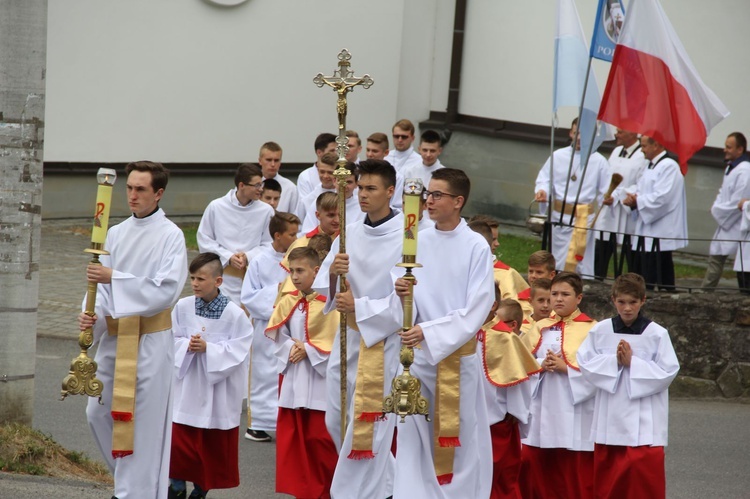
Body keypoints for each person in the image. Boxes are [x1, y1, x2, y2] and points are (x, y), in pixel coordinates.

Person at [78, 161, 188, 499]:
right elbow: (101, 291)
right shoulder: (116, 233)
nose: (132, 195)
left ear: (158, 193)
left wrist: (114, 278)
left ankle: (131, 492)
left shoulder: (171, 235)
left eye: (140, 189)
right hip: (116, 337)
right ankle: (134, 484)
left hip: (151, 341)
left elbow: (165, 289)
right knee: (97, 411)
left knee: (144, 423)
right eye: (129, 188)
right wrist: (90, 316)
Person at [393, 168, 495, 498]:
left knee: (458, 438)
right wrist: (398, 290)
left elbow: (478, 306)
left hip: (455, 359)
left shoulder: (475, 246)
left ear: (458, 201)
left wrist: (429, 330)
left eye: (437, 195)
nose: (428, 201)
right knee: (413, 438)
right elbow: (400, 285)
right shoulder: (416, 238)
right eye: (427, 194)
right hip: (417, 358)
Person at [313, 159, 405, 499]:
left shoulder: (406, 238)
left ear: (390, 191)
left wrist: (361, 307)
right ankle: (389, 488)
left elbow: (407, 302)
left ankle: (353, 494)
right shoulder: (351, 227)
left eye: (370, 188)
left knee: (368, 428)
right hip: (347, 335)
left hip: (379, 342)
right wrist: (334, 272)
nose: (362, 195)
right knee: (336, 419)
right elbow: (324, 284)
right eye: (360, 187)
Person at [577, 273, 680, 499]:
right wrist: (614, 361)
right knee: (608, 477)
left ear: (643, 300)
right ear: (613, 300)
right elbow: (585, 362)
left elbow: (668, 371)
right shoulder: (601, 330)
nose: (627, 308)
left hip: (643, 421)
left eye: (633, 302)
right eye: (622, 302)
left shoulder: (656, 334)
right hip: (609, 414)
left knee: (641, 476)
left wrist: (633, 363)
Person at [169, 253, 252, 499]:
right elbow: (170, 338)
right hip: (186, 387)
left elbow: (240, 348)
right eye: (192, 277)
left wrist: (209, 349)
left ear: (218, 281)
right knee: (179, 443)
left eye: (201, 279)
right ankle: (175, 486)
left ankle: (201, 490)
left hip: (216, 391)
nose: (195, 283)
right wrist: (186, 345)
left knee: (207, 447)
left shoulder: (235, 314)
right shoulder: (183, 307)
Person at [266, 247, 339, 499]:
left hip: (320, 380)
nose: (295, 277)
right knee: (298, 443)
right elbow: (277, 336)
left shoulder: (330, 304)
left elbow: (338, 341)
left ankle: (328, 491)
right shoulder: (288, 301)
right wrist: (291, 348)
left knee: (321, 441)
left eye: (300, 271)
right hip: (296, 378)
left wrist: (309, 350)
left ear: (316, 271)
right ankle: (305, 492)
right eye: (291, 271)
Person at [520, 271, 597, 499]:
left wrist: (567, 368)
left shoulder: (592, 329)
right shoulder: (539, 327)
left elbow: (601, 372)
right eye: (554, 294)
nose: (558, 299)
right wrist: (541, 364)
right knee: (537, 464)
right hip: (542, 404)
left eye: (565, 294)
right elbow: (520, 362)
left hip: (574, 407)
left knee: (570, 469)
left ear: (579, 298)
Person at [240, 212, 301, 442]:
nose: (297, 238)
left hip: (290, 325)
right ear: (277, 235)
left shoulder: (298, 257)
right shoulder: (259, 260)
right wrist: (278, 293)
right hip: (266, 325)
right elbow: (248, 297)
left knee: (286, 371)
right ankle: (259, 423)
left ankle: (285, 420)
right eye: (292, 234)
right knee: (264, 373)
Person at [478, 297, 541, 499]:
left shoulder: (506, 338)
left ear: (492, 304)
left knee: (501, 481)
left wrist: (516, 412)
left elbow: (519, 381)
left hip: (498, 421)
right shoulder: (465, 334)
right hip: (469, 421)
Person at [534, 118, 610, 278]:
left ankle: (581, 288)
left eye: (585, 134)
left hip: (583, 218)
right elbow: (545, 178)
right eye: (577, 133)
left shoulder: (599, 160)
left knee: (580, 259)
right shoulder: (558, 156)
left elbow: (607, 189)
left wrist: (609, 198)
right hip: (559, 216)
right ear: (571, 133)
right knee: (559, 257)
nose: (580, 138)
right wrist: (542, 191)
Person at [197, 163, 274, 305]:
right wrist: (228, 257)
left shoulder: (266, 211)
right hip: (223, 277)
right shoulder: (217, 207)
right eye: (256, 185)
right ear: (242, 185)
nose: (261, 189)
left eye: (261, 184)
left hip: (253, 277)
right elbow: (204, 239)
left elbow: (269, 243)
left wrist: (248, 256)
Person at [623, 136, 688, 291]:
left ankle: (662, 293)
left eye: (644, 146)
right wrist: (632, 197)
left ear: (656, 145)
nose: (642, 150)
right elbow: (640, 187)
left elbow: (663, 197)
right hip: (647, 226)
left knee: (658, 263)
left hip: (661, 226)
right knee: (644, 266)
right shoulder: (649, 165)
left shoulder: (669, 166)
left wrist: (637, 201)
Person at [594, 128, 646, 278]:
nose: (617, 135)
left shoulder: (641, 156)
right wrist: (608, 193)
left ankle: (633, 282)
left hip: (626, 209)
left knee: (630, 250)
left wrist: (618, 196)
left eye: (621, 132)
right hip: (610, 209)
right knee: (602, 246)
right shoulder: (616, 151)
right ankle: (597, 278)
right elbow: (607, 177)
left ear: (633, 133)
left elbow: (640, 183)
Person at [702, 132, 750, 290]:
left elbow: (739, 201)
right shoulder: (731, 167)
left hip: (737, 223)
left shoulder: (744, 170)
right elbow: (722, 192)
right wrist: (717, 206)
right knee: (716, 257)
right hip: (727, 221)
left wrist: (718, 210)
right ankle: (705, 292)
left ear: (740, 149)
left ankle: (743, 294)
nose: (725, 150)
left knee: (741, 262)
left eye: (729, 147)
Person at [297, 157, 363, 234]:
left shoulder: (361, 205)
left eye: (349, 182)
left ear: (356, 184)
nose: (344, 185)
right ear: (334, 181)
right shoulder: (321, 202)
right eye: (340, 181)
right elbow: (307, 232)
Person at [258, 141, 299, 213]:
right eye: (269, 160)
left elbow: (294, 217)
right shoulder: (250, 184)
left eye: (276, 160)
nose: (273, 164)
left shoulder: (290, 188)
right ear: (260, 161)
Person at [517, 250, 556, 322]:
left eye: (539, 272)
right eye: (531, 271)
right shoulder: (517, 302)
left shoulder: (561, 304)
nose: (533, 276)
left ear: (552, 275)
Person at [296, 133, 337, 200]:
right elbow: (304, 206)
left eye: (330, 172)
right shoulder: (305, 176)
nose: (336, 154)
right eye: (332, 151)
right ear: (319, 152)